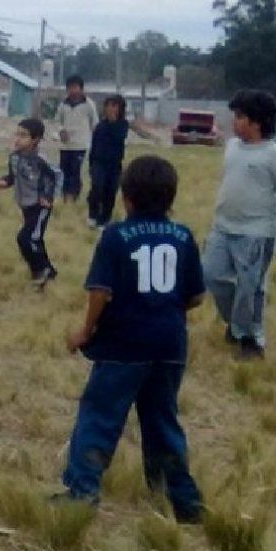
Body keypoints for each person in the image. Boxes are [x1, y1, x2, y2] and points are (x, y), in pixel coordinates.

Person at [60, 156, 205, 524]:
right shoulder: (183, 236)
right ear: (171, 196)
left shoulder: (115, 236)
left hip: (122, 346)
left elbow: (99, 292)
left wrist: (86, 331)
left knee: (100, 417)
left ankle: (82, 492)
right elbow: (196, 296)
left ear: (126, 197)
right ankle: (182, 501)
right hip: (169, 345)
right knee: (162, 420)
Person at [202, 90, 276, 361]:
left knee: (250, 288)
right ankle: (236, 323)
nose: (235, 121)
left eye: (240, 116)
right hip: (222, 228)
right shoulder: (232, 147)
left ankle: (251, 338)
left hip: (256, 234)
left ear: (257, 122)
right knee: (211, 276)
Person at [0, 118, 60, 288]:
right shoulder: (14, 157)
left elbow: (55, 176)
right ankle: (49, 270)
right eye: (17, 134)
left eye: (23, 135)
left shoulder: (41, 160)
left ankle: (39, 271)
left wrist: (47, 196)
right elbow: (13, 176)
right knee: (36, 239)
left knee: (25, 238)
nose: (17, 138)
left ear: (35, 139)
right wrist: (5, 181)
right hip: (25, 205)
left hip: (40, 206)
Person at [87, 94, 130, 229]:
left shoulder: (123, 125)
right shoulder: (100, 125)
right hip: (98, 163)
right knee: (97, 187)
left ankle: (104, 219)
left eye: (114, 106)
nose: (110, 109)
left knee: (110, 191)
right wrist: (91, 163)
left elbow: (119, 137)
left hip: (114, 164)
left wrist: (113, 121)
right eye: (108, 105)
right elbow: (94, 145)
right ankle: (92, 214)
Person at [55, 75, 99, 203]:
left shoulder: (89, 104)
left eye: (75, 87)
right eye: (70, 88)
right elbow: (57, 121)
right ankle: (64, 195)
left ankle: (73, 196)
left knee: (75, 171)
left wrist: (94, 140)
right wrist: (61, 130)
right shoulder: (63, 104)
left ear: (81, 88)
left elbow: (95, 123)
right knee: (64, 170)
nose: (73, 91)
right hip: (65, 145)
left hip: (80, 145)